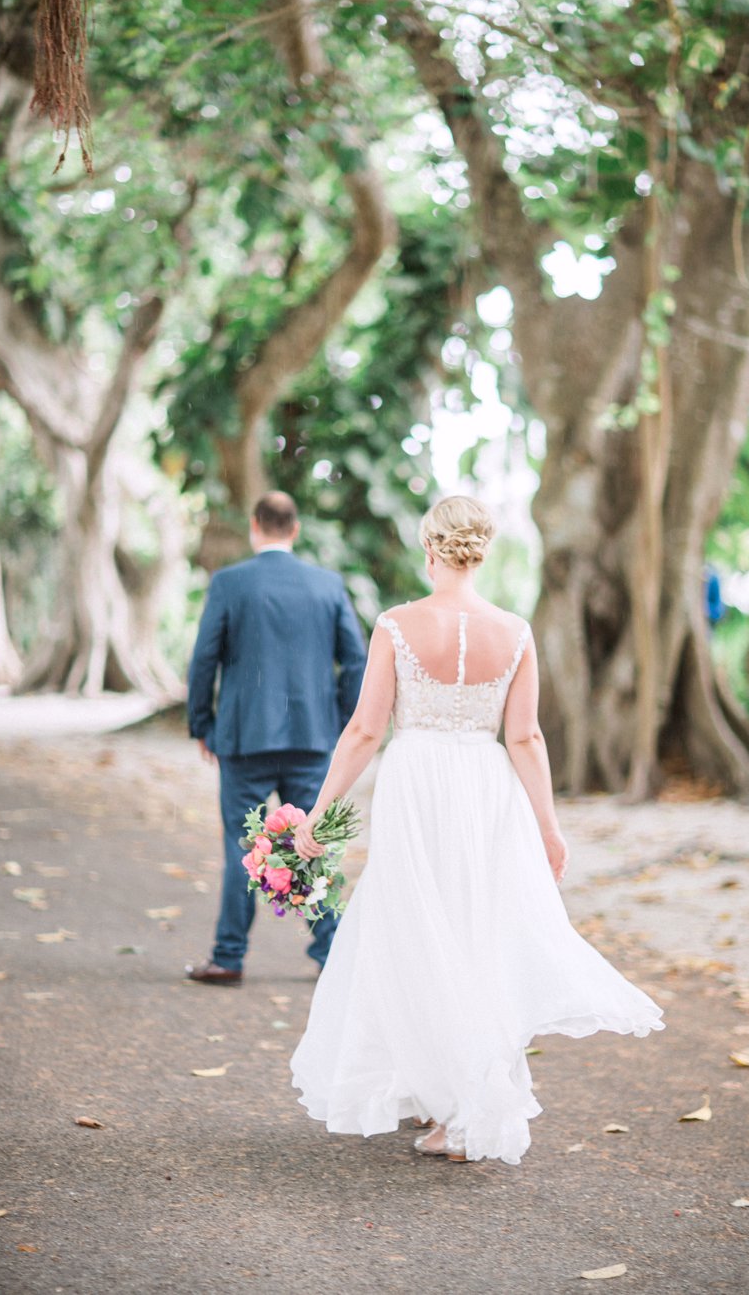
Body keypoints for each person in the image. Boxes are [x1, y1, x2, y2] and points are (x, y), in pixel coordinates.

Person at [290, 496, 664, 1164]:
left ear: (429, 548)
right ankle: (449, 1099)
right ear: (479, 551)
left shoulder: (397, 625)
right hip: (485, 786)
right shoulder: (514, 631)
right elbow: (525, 734)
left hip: (417, 782)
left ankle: (460, 1109)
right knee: (474, 930)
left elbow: (365, 730)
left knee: (416, 930)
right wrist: (548, 825)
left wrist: (320, 810)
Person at [185, 491, 367, 985]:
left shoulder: (229, 583)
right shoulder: (328, 585)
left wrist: (202, 724)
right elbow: (356, 660)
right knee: (311, 846)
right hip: (312, 739)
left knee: (240, 845)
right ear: (296, 528)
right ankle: (331, 954)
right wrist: (345, 722)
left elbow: (204, 658)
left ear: (254, 526)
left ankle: (228, 957)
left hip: (243, 740)